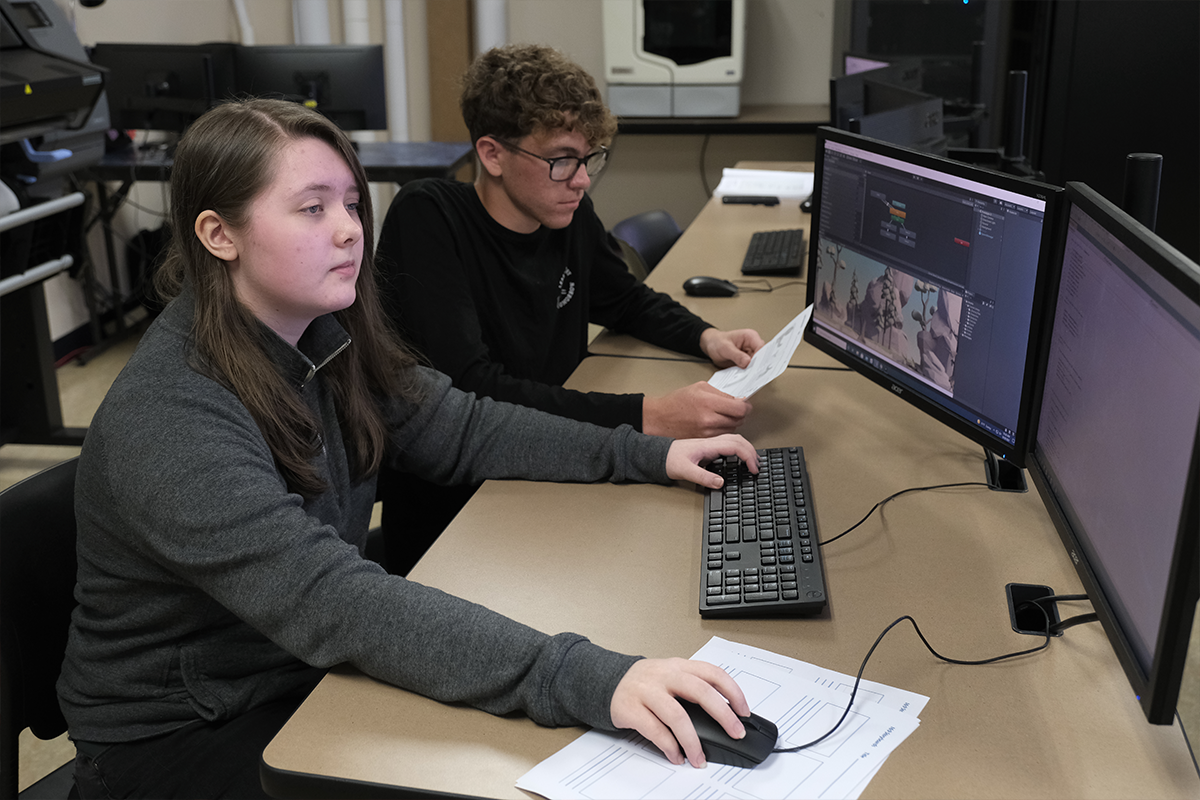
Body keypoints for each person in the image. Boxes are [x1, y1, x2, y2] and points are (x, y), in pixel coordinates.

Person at [57, 98, 761, 798]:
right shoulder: (173, 413)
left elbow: (465, 427)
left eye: (351, 205)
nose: (348, 232)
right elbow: (330, 600)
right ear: (219, 234)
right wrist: (590, 678)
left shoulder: (323, 338)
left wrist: (645, 453)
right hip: (181, 733)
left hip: (292, 667)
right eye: (312, 209)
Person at [374, 44, 767, 573]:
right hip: (460, 512)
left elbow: (624, 298)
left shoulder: (565, 213)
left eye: (589, 160)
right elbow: (473, 390)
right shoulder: (428, 217)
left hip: (557, 461)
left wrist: (705, 337)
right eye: (561, 160)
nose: (580, 179)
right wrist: (648, 414)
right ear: (492, 154)